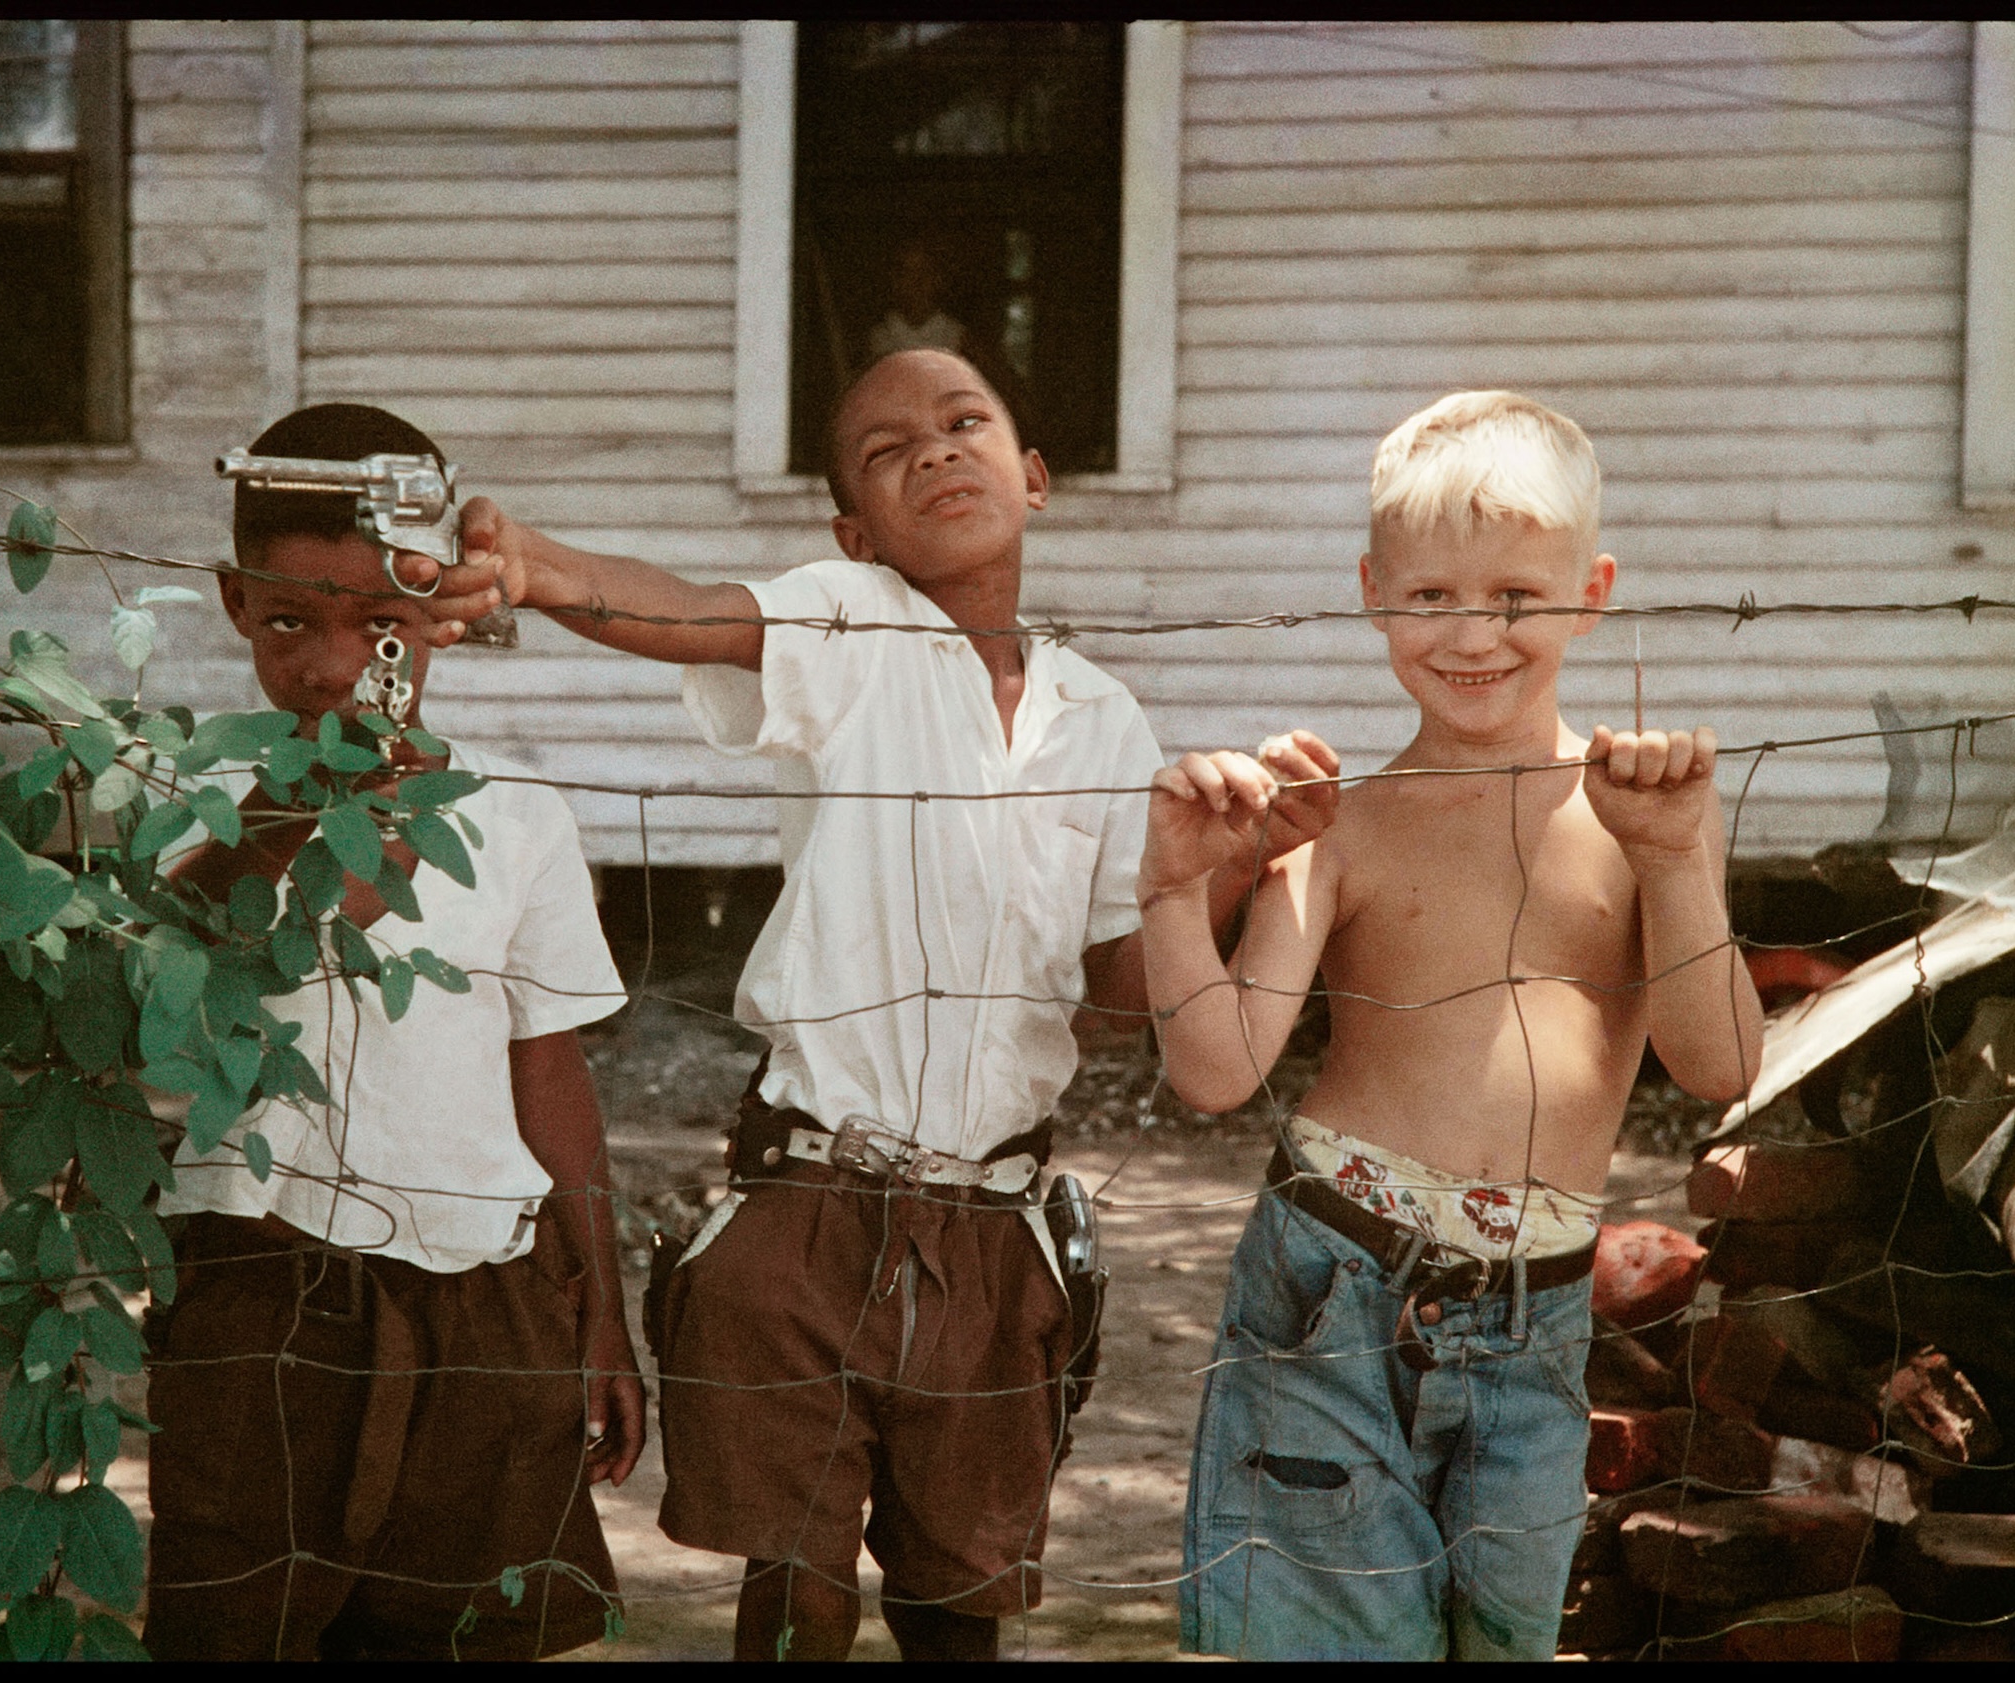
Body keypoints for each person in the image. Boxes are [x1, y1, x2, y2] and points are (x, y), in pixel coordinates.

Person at [398, 347, 1276, 1661]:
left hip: (994, 1219)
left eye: (966, 421)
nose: (935, 449)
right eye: (887, 447)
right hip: (809, 1201)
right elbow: (689, 611)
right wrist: (536, 562)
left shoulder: (1105, 720)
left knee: (959, 1604)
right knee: (796, 1590)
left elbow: (1107, 1003)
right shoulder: (854, 626)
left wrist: (1218, 873)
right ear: (854, 531)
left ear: (1032, 475)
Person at [1138, 390, 1763, 1661]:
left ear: (1591, 592)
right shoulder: (1341, 823)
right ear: (1374, 593)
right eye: (1430, 598)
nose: (1473, 634)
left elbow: (1721, 1064)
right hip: (1332, 1289)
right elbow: (1215, 1070)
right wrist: (1169, 887)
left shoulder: (1646, 818)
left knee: (1504, 1639)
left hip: (1535, 1314)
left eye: (1516, 597)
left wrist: (1677, 861)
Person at [139, 403, 645, 1661]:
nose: (331, 663)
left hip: (488, 1292)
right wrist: (287, 816)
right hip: (265, 1284)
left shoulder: (518, 817)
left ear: (448, 614)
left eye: (383, 624)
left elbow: (550, 1073)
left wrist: (600, 1313)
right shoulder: (181, 798)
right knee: (242, 1622)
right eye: (291, 620)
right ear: (232, 601)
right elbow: (173, 999)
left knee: (458, 1635)